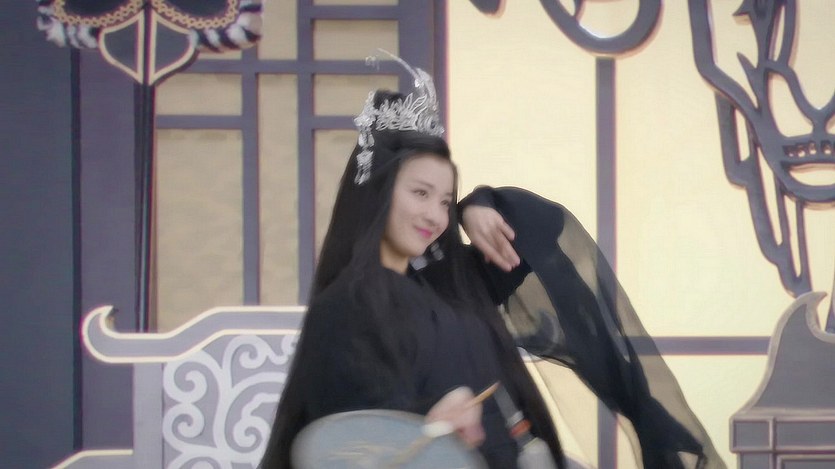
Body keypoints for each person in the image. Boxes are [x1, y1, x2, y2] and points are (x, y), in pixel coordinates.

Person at [260, 58, 724, 469]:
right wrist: (429, 424)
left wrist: (480, 205)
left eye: (445, 201)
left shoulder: (451, 284)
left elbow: (544, 233)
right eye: (420, 193)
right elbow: (353, 440)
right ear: (378, 192)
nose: (434, 216)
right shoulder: (347, 303)